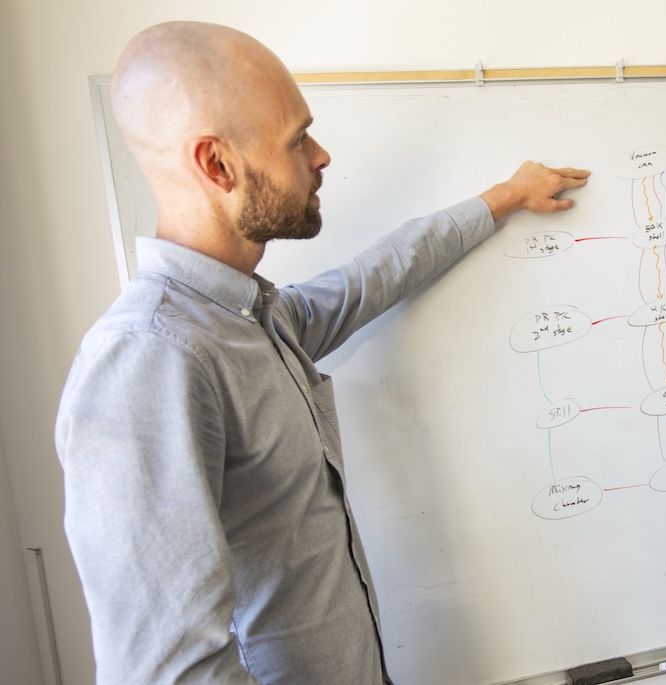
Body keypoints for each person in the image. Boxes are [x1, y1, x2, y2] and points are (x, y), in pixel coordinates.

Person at [55, 21, 588, 685]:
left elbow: (377, 273)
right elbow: (166, 672)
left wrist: (505, 195)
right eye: (296, 137)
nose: (322, 154)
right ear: (216, 164)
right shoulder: (151, 358)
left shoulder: (257, 320)